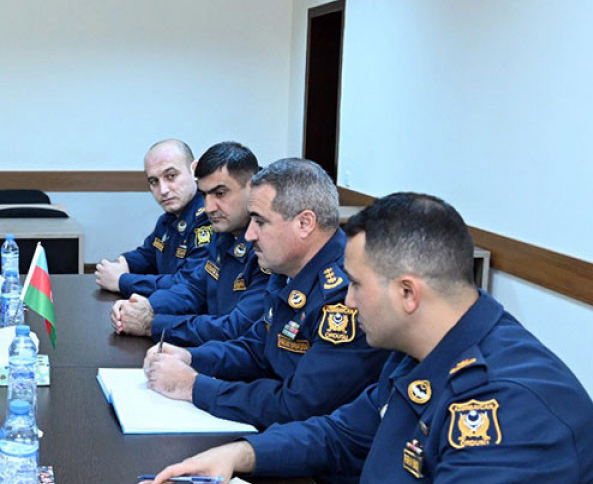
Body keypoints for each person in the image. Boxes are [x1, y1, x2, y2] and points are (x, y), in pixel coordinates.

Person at [140, 193, 593, 484]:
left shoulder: (511, 406)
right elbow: (342, 434)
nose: (347, 301)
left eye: (355, 284)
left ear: (408, 293)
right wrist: (242, 453)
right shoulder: (423, 349)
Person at [143, 158, 385, 428]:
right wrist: (191, 357)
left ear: (305, 223)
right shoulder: (287, 268)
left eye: (260, 221)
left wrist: (193, 386)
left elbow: (299, 404)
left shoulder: (344, 295)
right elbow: (259, 347)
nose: (249, 235)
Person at [110, 141, 269, 346]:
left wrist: (152, 324)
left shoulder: (267, 246)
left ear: (252, 188)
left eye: (220, 193)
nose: (209, 207)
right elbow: (194, 288)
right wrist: (146, 307)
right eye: (204, 195)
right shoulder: (224, 232)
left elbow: (236, 329)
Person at [94, 139, 210, 296]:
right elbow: (148, 255)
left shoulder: (209, 218)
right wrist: (123, 263)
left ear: (194, 170)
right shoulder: (168, 219)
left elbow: (187, 284)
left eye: (171, 176)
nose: (163, 190)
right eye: (154, 181)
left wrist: (122, 281)